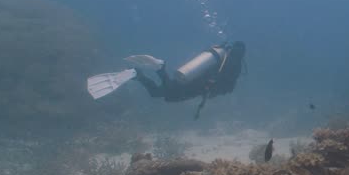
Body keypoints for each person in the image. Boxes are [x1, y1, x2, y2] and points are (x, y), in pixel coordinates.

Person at [87, 41, 246, 117]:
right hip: (196, 86)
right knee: (162, 94)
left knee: (164, 91)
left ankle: (155, 69)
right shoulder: (234, 64)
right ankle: (144, 72)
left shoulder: (221, 56)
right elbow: (224, 83)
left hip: (188, 79)